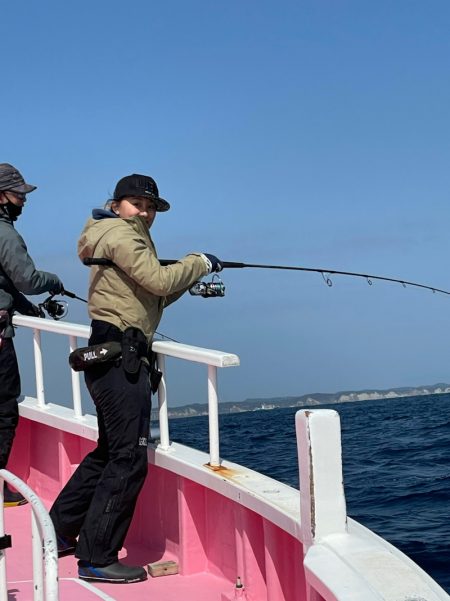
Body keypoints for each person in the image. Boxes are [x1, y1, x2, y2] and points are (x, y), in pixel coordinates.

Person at [49, 173, 222, 584]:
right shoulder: (121, 234)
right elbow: (160, 280)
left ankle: (55, 531)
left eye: (149, 208)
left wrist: (190, 274)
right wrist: (198, 262)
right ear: (117, 205)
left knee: (110, 452)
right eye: (136, 204)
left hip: (113, 354)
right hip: (119, 357)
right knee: (127, 458)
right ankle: (96, 558)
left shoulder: (117, 235)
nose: (143, 212)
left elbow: (154, 294)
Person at [0, 163, 64, 506]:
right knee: (4, 410)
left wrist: (22, 305)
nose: (23, 202)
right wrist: (54, 281)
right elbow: (26, 278)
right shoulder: (4, 233)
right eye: (18, 195)